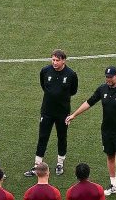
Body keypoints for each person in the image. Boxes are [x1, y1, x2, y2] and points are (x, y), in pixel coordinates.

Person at [66, 66, 116, 200]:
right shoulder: (102, 89)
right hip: (106, 131)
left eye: (110, 77)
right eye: (106, 77)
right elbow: (89, 102)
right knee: (110, 156)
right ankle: (113, 185)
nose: (108, 79)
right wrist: (74, 115)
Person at [24, 49, 78, 177]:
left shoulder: (71, 74)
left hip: (63, 113)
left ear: (63, 60)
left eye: (57, 60)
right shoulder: (45, 71)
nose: (54, 62)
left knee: (62, 137)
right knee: (43, 137)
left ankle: (60, 163)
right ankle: (37, 165)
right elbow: (44, 86)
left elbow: (73, 91)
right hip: (47, 111)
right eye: (53, 60)